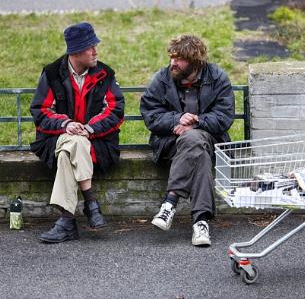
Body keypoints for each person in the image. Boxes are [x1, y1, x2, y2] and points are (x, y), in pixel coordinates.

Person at [30, 22, 125, 243]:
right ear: (76, 51)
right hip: (56, 138)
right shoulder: (52, 73)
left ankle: (67, 221)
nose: (95, 51)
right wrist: (66, 125)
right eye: (90, 46)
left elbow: (115, 110)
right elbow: (41, 111)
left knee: (69, 152)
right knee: (72, 142)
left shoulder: (105, 73)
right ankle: (90, 204)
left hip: (98, 143)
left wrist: (88, 129)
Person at [140, 35, 234, 246]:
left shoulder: (217, 77)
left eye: (179, 58)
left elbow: (225, 116)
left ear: (194, 61)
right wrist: (176, 119)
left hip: (210, 138)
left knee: (194, 139)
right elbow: (150, 114)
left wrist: (197, 121)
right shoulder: (162, 79)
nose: (173, 62)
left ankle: (170, 203)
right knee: (198, 152)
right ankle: (201, 222)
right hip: (170, 142)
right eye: (172, 57)